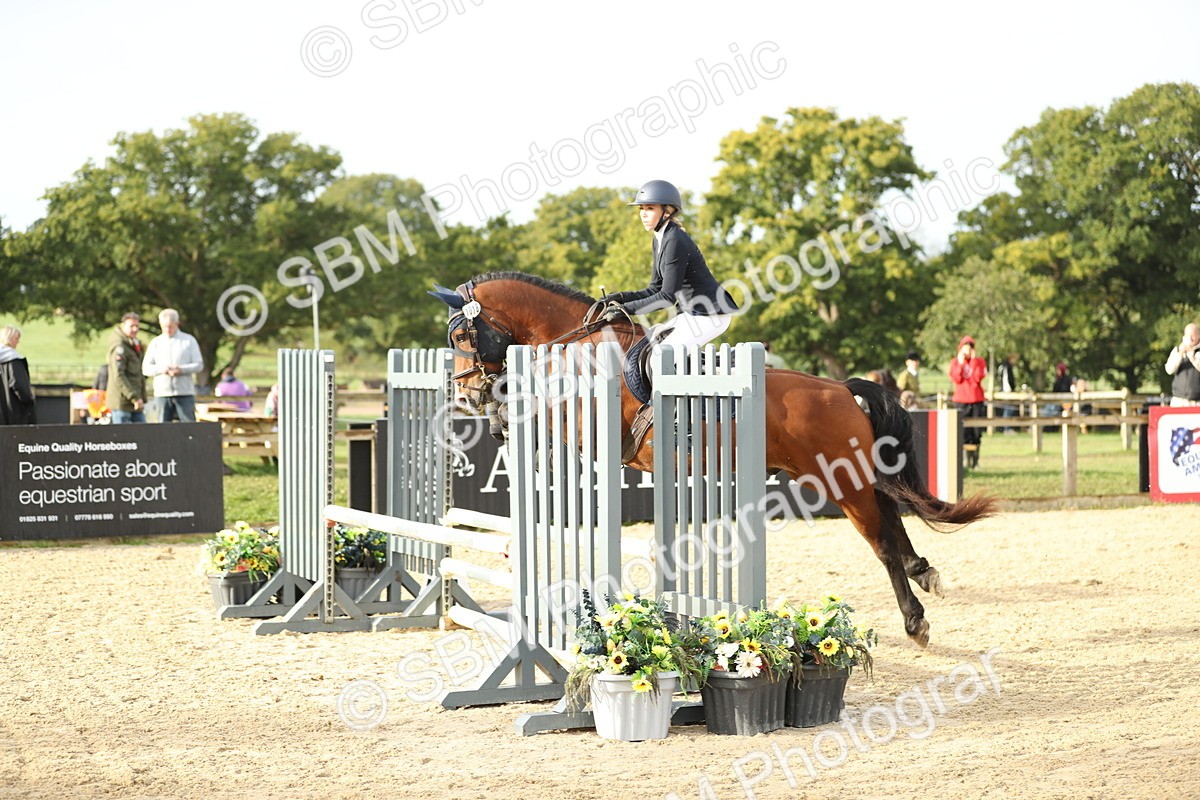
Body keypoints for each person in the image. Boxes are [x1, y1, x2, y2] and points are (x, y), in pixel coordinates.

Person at [601, 180, 738, 348]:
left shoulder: (675, 240)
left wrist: (625, 309)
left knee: (660, 357)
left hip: (710, 315)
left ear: (667, 212)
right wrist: (620, 298)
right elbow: (654, 289)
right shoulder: (659, 239)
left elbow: (667, 297)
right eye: (641, 209)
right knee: (647, 348)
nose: (643, 214)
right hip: (692, 313)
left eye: (650, 208)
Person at [142, 308, 204, 422]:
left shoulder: (189, 341)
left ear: (177, 324)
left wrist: (181, 369)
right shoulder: (156, 342)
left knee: (189, 427)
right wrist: (161, 370)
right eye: (164, 326)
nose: (167, 329)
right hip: (162, 393)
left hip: (184, 392)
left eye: (170, 326)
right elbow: (146, 368)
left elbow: (199, 365)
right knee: (163, 429)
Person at [949, 335, 987, 468]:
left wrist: (974, 361)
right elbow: (956, 379)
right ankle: (964, 461)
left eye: (970, 348)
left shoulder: (980, 362)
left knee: (977, 431)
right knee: (963, 431)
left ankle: (975, 461)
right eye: (965, 348)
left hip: (976, 400)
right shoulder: (954, 362)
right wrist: (960, 363)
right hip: (961, 400)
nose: (967, 351)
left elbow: (978, 378)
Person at [107, 312, 146, 423]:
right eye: (131, 326)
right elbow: (118, 376)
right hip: (123, 403)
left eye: (137, 326)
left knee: (143, 436)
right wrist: (134, 397)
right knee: (124, 439)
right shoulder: (119, 346)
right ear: (122, 325)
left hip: (135, 401)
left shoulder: (133, 344)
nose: (135, 329)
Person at [0, 325, 37, 425]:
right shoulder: (13, 360)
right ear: (9, 338)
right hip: (14, 413)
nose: (18, 342)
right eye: (17, 338)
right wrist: (29, 400)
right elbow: (19, 385)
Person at [1164, 322, 1200, 407]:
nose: (1190, 338)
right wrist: (1180, 354)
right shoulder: (1177, 350)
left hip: (1197, 401)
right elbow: (1169, 370)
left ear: (1199, 336)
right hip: (1179, 401)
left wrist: (1193, 358)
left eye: (1193, 335)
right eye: (1188, 335)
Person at [997, 353, 1019, 431]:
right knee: (1009, 408)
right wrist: (1012, 388)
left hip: (1003, 390)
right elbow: (1009, 379)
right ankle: (1006, 427)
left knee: (1008, 408)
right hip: (1007, 390)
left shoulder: (1001, 366)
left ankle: (1005, 427)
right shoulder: (1007, 367)